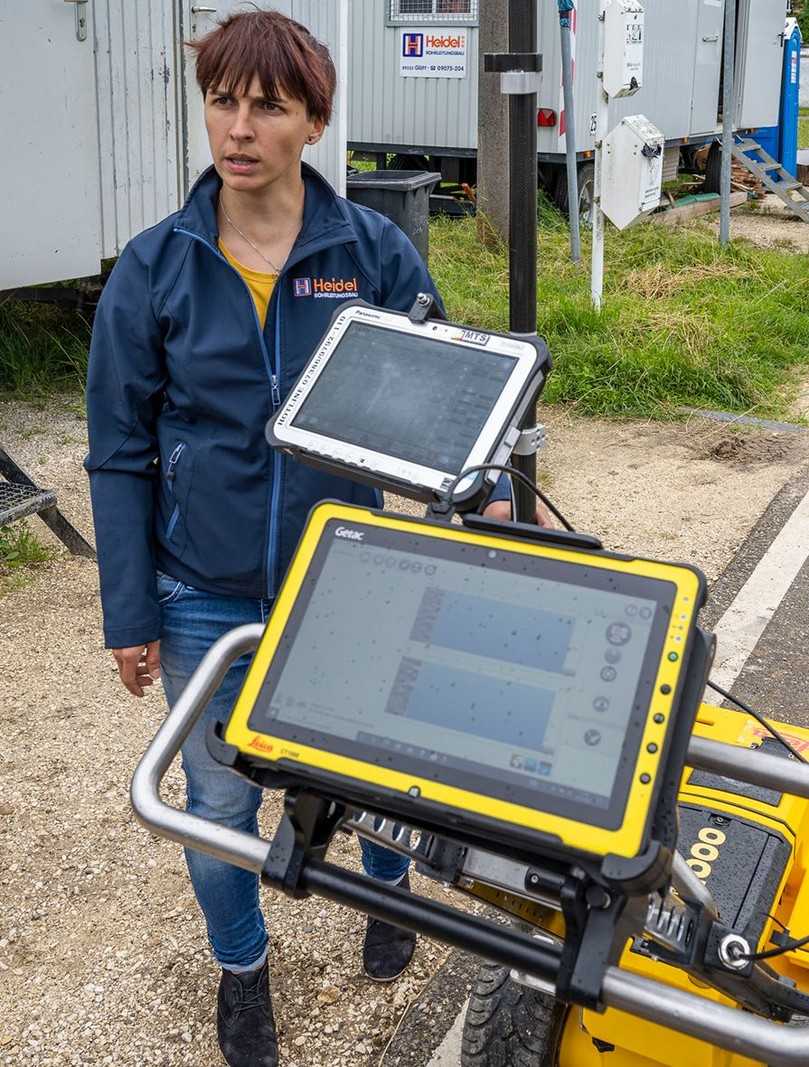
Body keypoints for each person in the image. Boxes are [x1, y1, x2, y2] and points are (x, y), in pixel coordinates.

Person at [85, 10, 515, 1067]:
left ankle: (384, 891)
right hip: (202, 591)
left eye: (266, 106)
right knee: (219, 798)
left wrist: (490, 490)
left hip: (354, 577)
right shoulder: (156, 266)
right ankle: (243, 969)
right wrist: (132, 610)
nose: (237, 127)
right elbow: (116, 450)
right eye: (222, 101)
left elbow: (446, 401)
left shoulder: (371, 250)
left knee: (373, 777)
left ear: (311, 121)